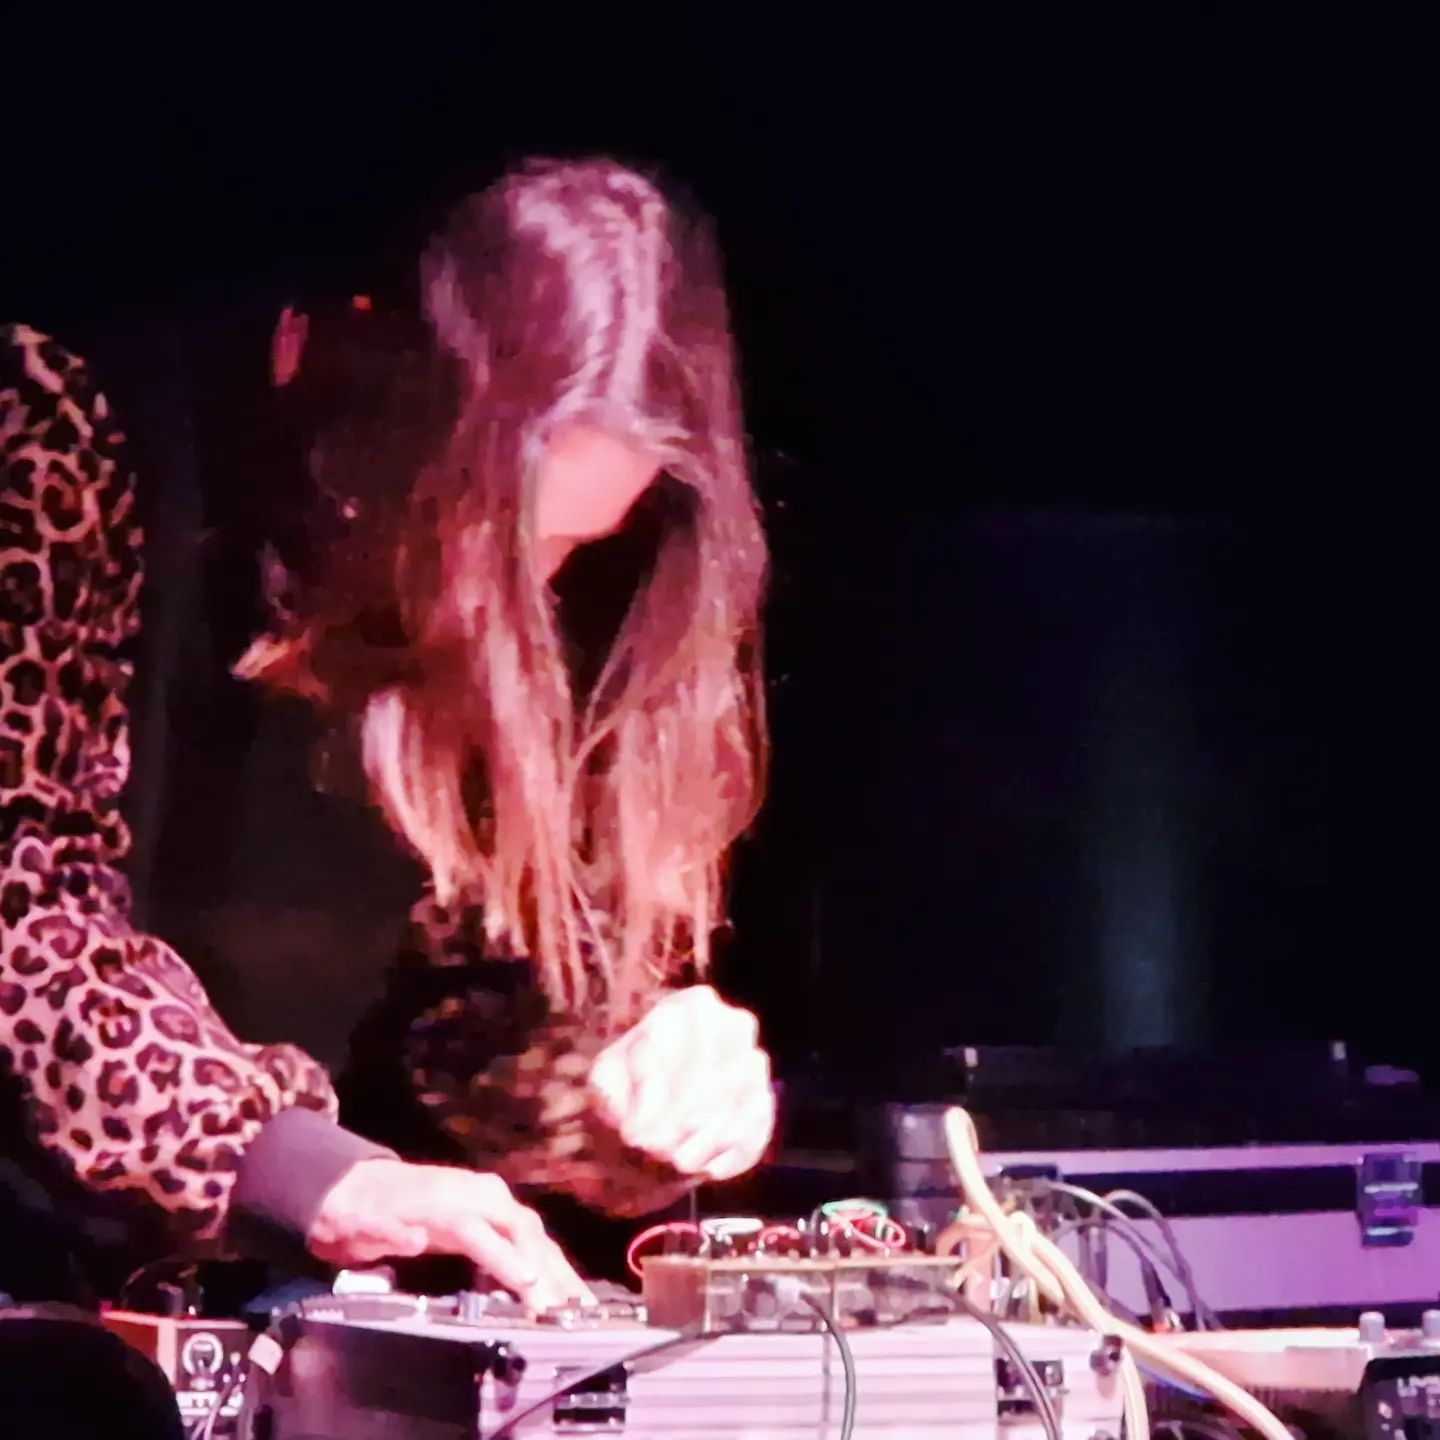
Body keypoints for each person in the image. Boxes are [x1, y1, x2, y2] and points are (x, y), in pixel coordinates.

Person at [0, 157, 775, 1311]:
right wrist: (290, 1168)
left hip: (231, 1310)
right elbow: (19, 913)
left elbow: (456, 1019)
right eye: (495, 526)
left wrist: (618, 1086)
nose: (524, 591)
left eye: (570, 548)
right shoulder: (60, 423)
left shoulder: (519, 600)